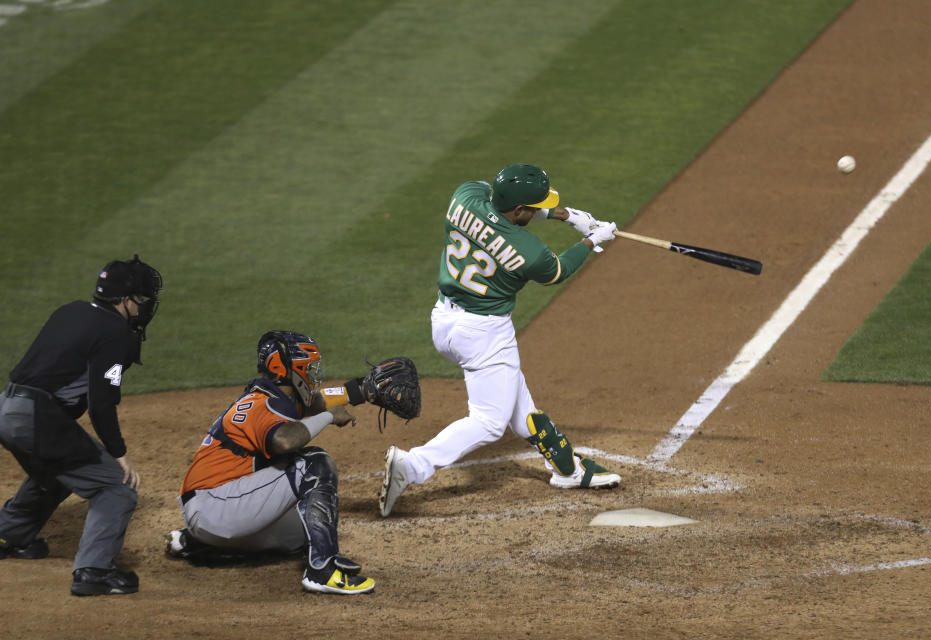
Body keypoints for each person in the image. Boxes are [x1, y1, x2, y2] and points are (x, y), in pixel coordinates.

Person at [379, 163, 621, 517]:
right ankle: (412, 466)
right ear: (520, 210)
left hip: (444, 322)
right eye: (535, 206)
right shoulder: (529, 251)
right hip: (483, 333)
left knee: (512, 391)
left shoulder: (465, 195)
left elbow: (501, 209)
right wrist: (591, 238)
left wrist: (567, 215)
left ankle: (566, 468)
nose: (540, 209)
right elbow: (558, 271)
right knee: (490, 422)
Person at [165, 331, 376, 595]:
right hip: (215, 507)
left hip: (213, 512)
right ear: (288, 370)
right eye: (307, 368)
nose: (312, 374)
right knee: (313, 462)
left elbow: (314, 402)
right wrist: (329, 417)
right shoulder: (263, 405)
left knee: (304, 529)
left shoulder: (273, 398)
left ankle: (196, 543)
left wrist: (360, 391)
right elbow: (285, 442)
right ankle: (322, 570)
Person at [0, 255, 163, 596]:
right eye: (140, 300)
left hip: (7, 407)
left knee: (58, 472)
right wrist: (119, 453)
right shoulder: (114, 332)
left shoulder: (71, 310)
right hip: (36, 418)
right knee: (117, 487)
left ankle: (9, 534)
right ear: (123, 299)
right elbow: (101, 404)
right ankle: (94, 571)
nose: (142, 309)